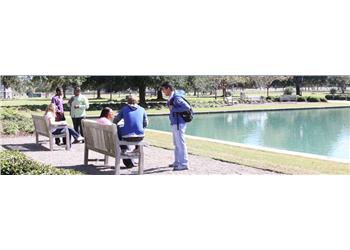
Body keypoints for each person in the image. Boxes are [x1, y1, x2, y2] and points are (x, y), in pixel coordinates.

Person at [113, 94, 148, 168]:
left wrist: (116, 124)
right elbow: (146, 123)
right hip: (140, 136)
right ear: (137, 101)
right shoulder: (142, 109)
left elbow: (116, 120)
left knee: (119, 129)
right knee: (137, 131)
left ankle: (124, 150)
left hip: (127, 137)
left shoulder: (124, 109)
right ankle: (136, 148)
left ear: (127, 101)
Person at [161, 82, 190, 171]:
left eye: (163, 90)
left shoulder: (176, 97)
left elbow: (187, 107)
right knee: (177, 144)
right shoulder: (172, 97)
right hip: (175, 123)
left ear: (168, 89)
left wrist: (173, 109)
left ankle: (184, 164)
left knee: (180, 144)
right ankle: (177, 162)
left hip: (179, 123)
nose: (163, 92)